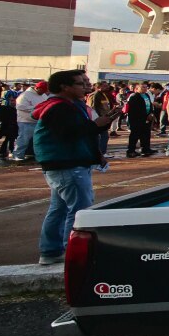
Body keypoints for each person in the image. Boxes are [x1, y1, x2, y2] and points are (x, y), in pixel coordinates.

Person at [33, 70, 118, 265]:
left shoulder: (70, 105)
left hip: (67, 163)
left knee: (59, 208)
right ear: (65, 87)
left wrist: (101, 126)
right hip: (68, 165)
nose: (85, 86)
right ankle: (72, 254)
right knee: (79, 210)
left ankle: (51, 250)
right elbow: (69, 134)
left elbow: (82, 132)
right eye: (80, 83)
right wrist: (95, 125)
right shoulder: (59, 108)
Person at [13, 80, 48, 161]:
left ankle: (33, 154)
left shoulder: (43, 95)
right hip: (26, 121)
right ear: (37, 88)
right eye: (42, 90)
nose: (43, 92)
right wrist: (36, 108)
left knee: (38, 140)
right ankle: (18, 155)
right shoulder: (25, 95)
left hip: (38, 121)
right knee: (23, 139)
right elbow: (20, 106)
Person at [124, 82, 156, 157]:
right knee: (135, 135)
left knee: (146, 134)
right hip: (136, 119)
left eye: (146, 87)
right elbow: (134, 110)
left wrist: (151, 113)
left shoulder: (146, 95)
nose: (145, 89)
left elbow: (150, 106)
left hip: (147, 118)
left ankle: (145, 149)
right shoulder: (134, 97)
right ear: (137, 89)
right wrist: (145, 116)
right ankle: (131, 151)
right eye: (142, 87)